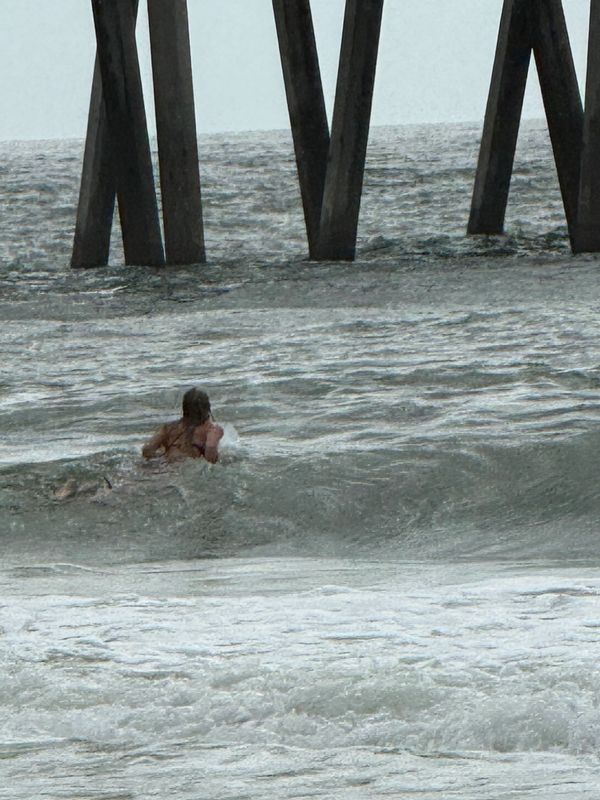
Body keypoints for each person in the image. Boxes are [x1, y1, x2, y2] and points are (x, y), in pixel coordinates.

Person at [142, 388, 224, 464]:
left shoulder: (169, 428)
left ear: (184, 408)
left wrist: (161, 458)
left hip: (164, 466)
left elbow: (147, 449)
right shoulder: (212, 430)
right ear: (208, 407)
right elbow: (211, 456)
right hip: (184, 469)